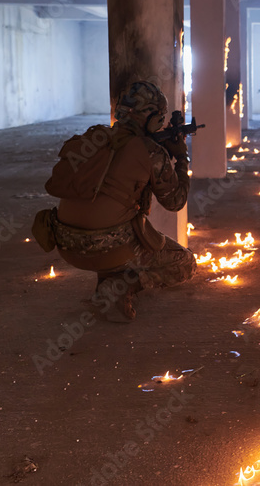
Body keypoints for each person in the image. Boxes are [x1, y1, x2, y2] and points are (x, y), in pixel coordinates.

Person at [31, 81, 196, 322]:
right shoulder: (150, 151)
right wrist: (181, 156)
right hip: (109, 245)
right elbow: (175, 201)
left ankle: (109, 280)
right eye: (159, 117)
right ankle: (121, 285)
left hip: (64, 242)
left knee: (111, 220)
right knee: (185, 263)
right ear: (151, 118)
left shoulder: (94, 138)